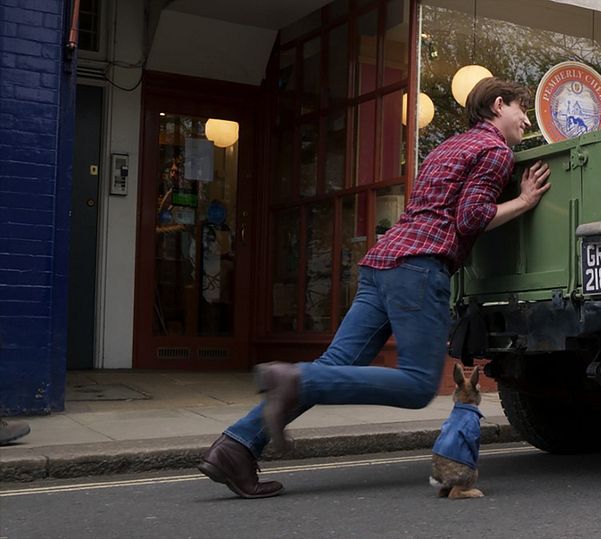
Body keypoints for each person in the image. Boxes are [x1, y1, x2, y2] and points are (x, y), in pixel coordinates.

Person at [196, 77, 552, 499]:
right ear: (498, 105)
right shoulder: (494, 150)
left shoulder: (447, 146)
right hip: (419, 268)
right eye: (520, 110)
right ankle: (292, 377)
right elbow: (471, 219)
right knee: (420, 384)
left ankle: (236, 447)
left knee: (338, 362)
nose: (525, 120)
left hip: (382, 262)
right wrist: (525, 202)